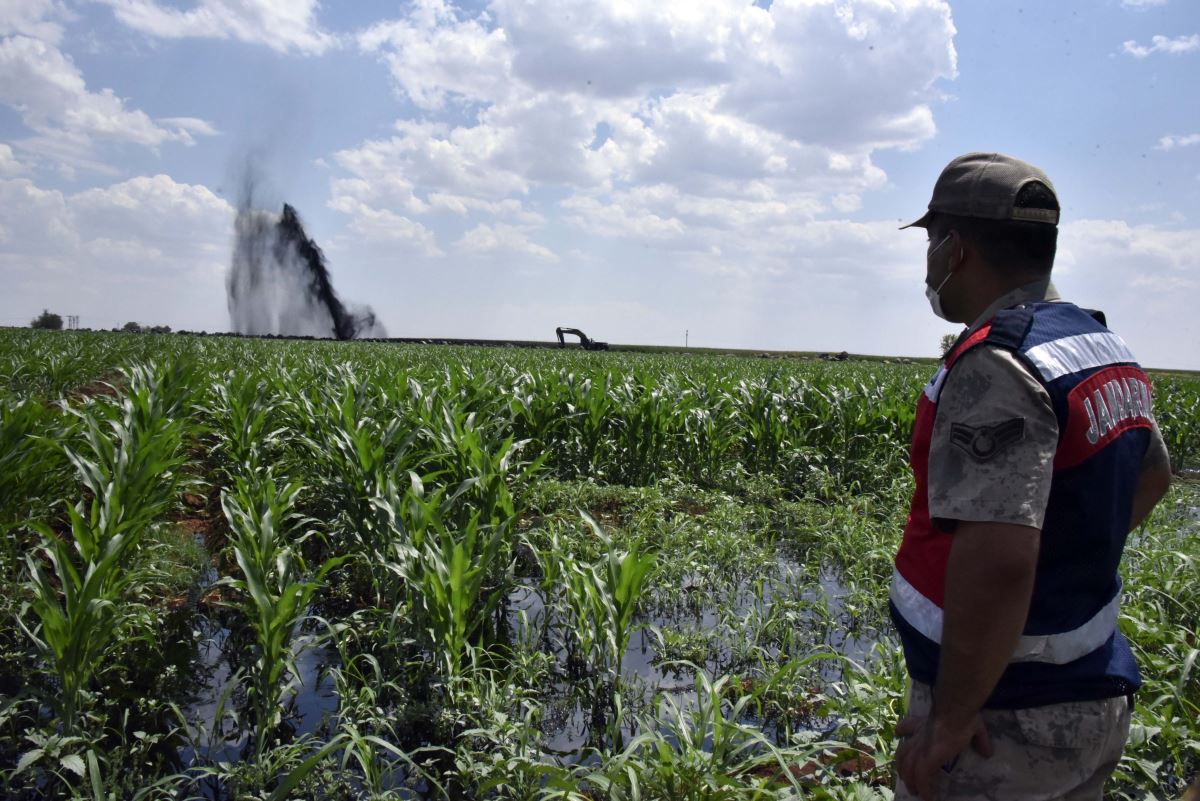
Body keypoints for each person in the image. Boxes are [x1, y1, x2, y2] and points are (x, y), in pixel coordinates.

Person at [889, 152, 1173, 801]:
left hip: (1006, 720)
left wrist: (953, 719)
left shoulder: (999, 364)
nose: (928, 261)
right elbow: (1153, 474)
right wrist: (1066, 558)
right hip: (1085, 693)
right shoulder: (1098, 344)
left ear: (955, 248)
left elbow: (998, 559)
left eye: (932, 241)